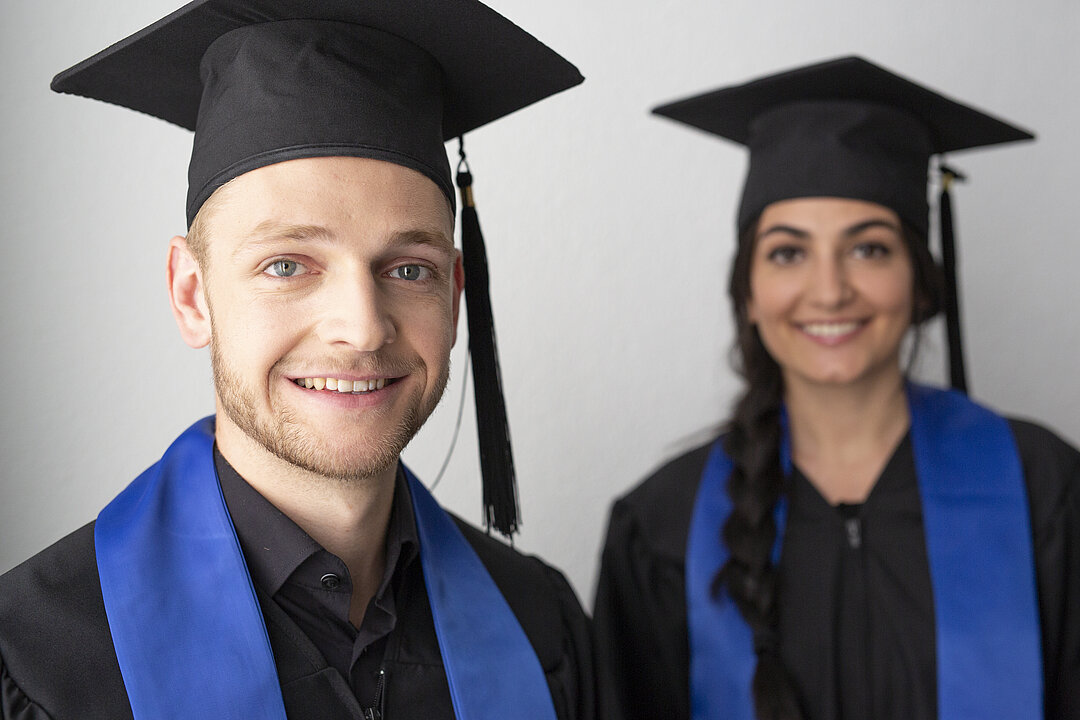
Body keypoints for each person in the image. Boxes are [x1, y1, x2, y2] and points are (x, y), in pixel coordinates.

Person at [0, 2, 594, 719]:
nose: (362, 329)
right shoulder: (40, 658)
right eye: (287, 265)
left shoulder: (541, 627)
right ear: (192, 295)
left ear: (456, 294)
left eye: (410, 270)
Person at [593, 56, 1079, 720]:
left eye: (868, 248)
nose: (829, 291)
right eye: (788, 253)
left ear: (920, 283)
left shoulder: (1041, 488)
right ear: (749, 293)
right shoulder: (662, 526)